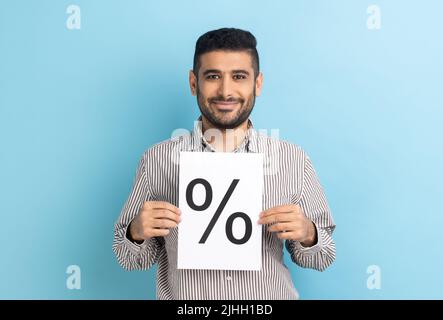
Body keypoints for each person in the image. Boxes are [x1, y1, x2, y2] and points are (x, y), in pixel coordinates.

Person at [113, 28, 336, 300]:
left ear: (258, 83)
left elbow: (323, 256)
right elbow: (129, 258)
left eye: (239, 76)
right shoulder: (157, 161)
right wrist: (136, 232)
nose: (226, 91)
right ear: (194, 83)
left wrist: (308, 233)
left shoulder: (293, 160)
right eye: (213, 76)